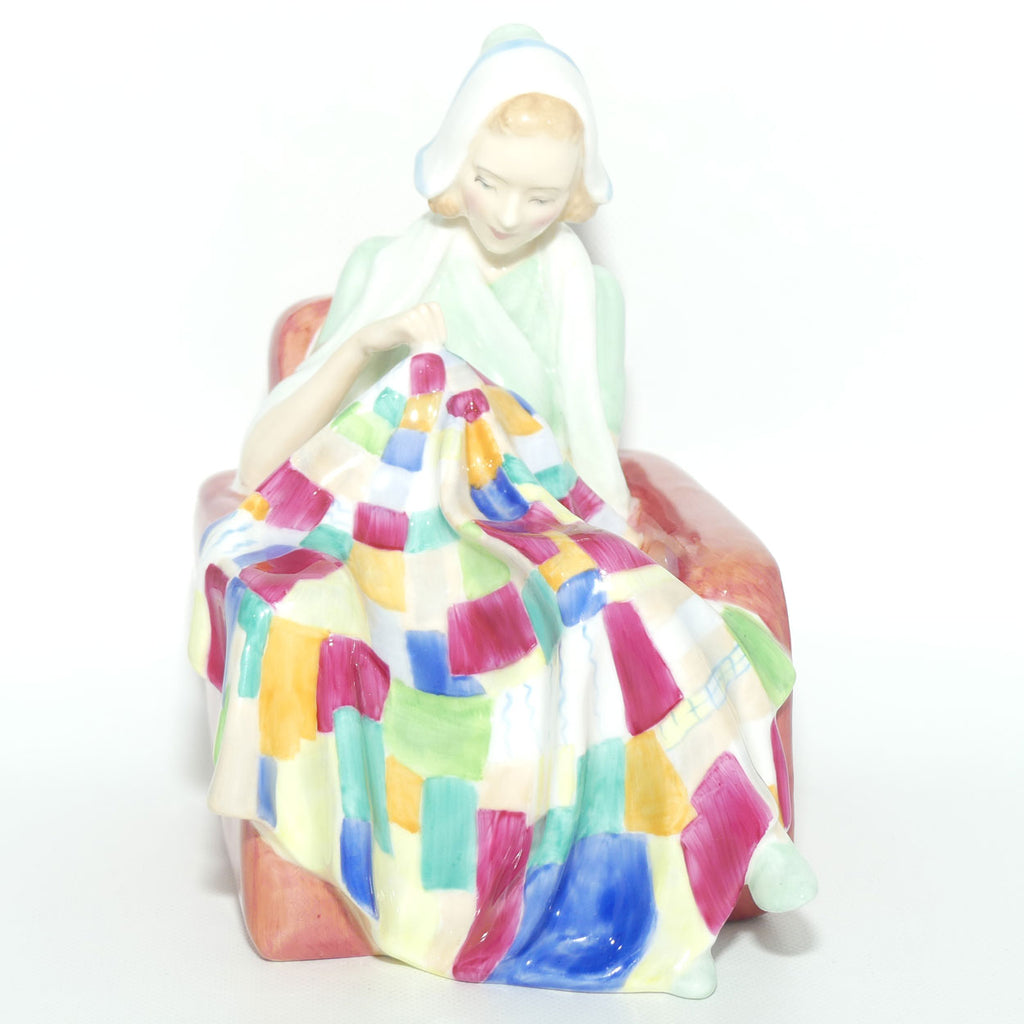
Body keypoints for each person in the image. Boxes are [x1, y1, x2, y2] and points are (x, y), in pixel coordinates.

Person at [190, 27, 814, 998]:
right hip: (401, 531)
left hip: (521, 509)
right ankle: (671, 903)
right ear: (453, 162)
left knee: (613, 596)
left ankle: (700, 881)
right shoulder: (393, 263)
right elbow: (266, 455)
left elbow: (584, 445)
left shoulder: (578, 288)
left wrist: (613, 526)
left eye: (541, 197)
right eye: (490, 183)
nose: (512, 215)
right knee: (451, 404)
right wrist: (371, 346)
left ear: (576, 193)